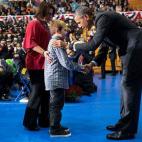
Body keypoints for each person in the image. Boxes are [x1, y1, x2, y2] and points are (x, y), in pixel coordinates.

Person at [52, 6, 142, 140]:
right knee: (125, 87)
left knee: (129, 86)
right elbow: (103, 49)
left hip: (136, 46)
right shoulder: (102, 24)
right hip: (130, 48)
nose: (80, 26)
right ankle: (124, 123)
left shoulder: (102, 18)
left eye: (79, 22)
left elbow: (93, 45)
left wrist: (70, 45)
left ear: (86, 17)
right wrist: (92, 64)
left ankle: (128, 130)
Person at [44, 19, 87, 137]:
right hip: (56, 77)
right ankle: (54, 129)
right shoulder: (56, 41)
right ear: (58, 30)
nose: (66, 31)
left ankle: (56, 125)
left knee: (57, 103)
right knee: (56, 104)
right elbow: (66, 63)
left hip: (55, 77)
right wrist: (81, 68)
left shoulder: (54, 40)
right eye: (64, 29)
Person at [22, 1, 55, 131]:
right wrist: (44, 52)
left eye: (52, 13)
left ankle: (44, 120)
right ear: (43, 12)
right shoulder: (34, 23)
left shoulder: (45, 25)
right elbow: (30, 43)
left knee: (45, 93)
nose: (51, 16)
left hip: (44, 63)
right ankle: (29, 122)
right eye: (49, 13)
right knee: (36, 92)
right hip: (35, 63)